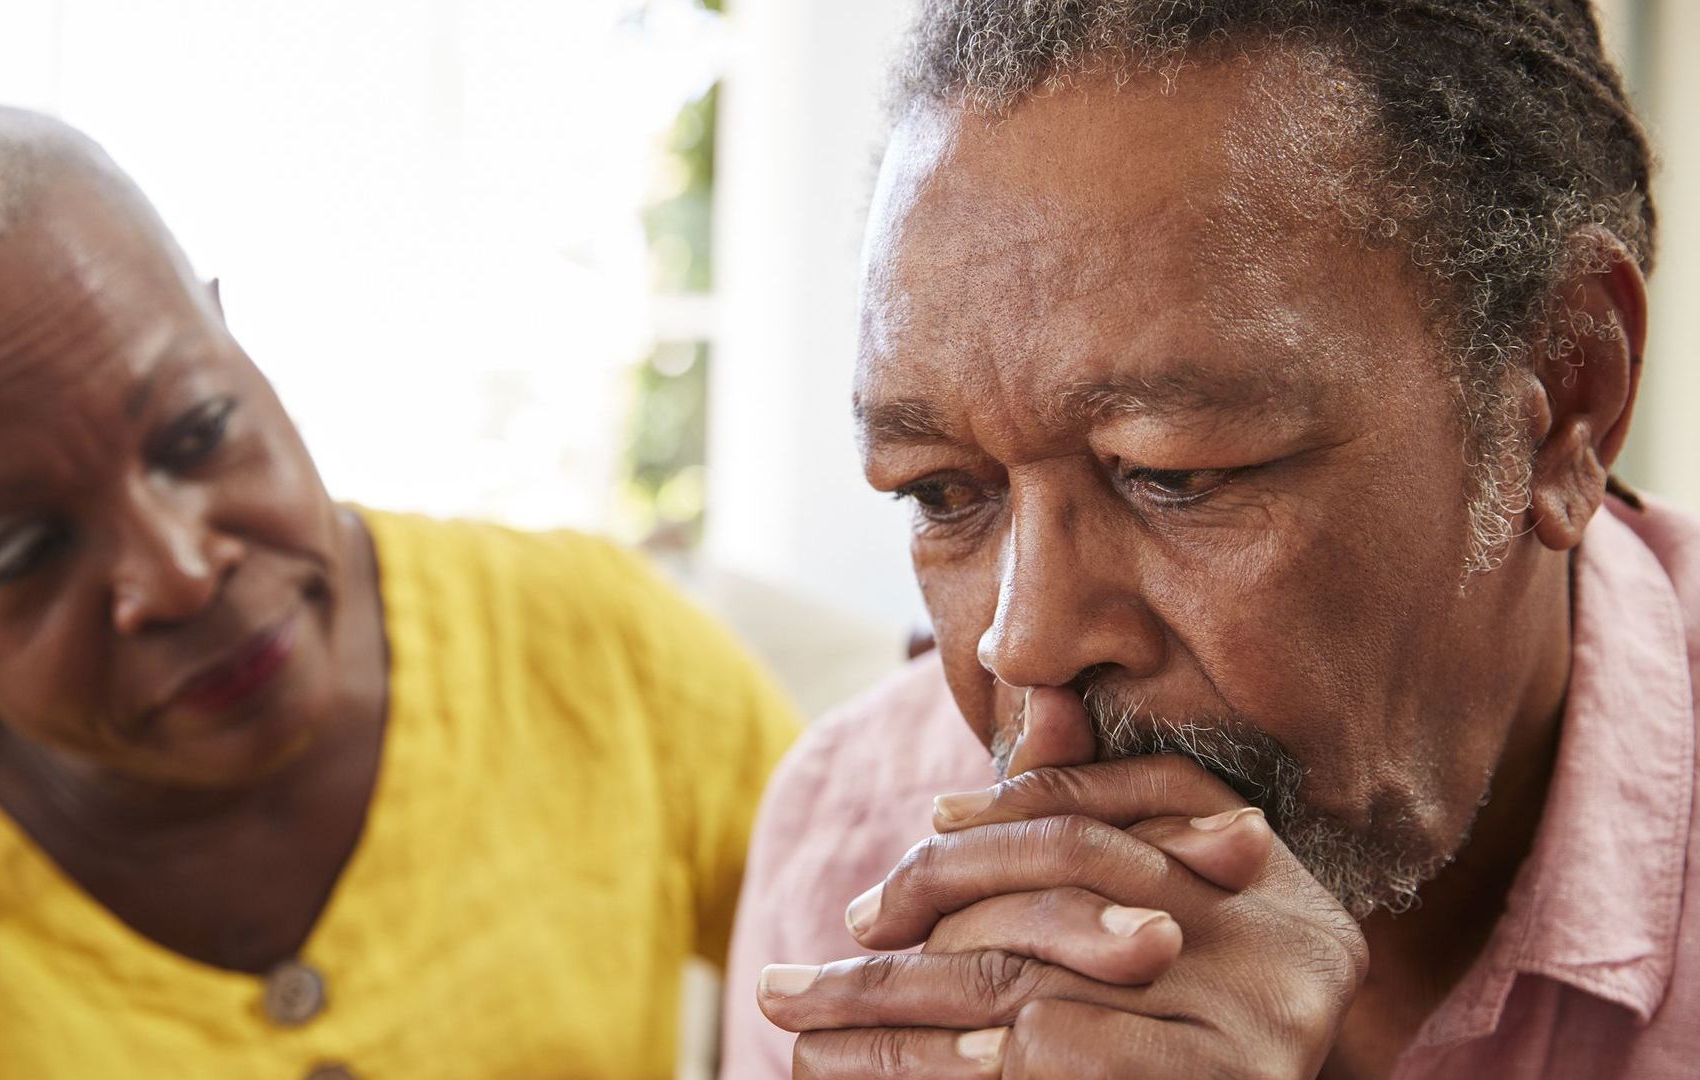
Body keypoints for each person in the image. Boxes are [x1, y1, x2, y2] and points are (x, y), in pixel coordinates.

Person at [726, 1, 1700, 1077]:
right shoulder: (849, 850)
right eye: (945, 495)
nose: (1028, 643)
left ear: (1565, 397)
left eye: (1174, 473)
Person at [0, 103, 798, 1079]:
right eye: (23, 550)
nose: (179, 573)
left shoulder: (600, 645)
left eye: (198, 433)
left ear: (238, 350)